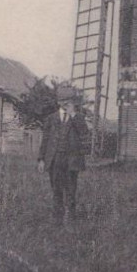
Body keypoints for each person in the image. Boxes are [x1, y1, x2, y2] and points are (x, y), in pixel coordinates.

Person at [37, 84, 90, 225]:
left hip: (71, 160)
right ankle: (57, 219)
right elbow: (45, 140)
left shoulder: (78, 118)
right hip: (54, 159)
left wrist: (73, 115)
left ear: (73, 102)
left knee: (71, 190)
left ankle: (71, 219)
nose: (66, 104)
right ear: (58, 102)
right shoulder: (51, 118)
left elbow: (85, 134)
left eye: (69, 101)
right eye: (63, 101)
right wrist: (41, 159)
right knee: (56, 190)